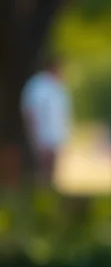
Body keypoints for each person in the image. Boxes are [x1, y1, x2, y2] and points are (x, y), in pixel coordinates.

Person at [19, 58, 70, 187]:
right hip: (43, 136)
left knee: (51, 172)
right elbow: (31, 112)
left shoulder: (57, 87)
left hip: (55, 137)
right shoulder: (38, 86)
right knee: (43, 171)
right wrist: (36, 137)